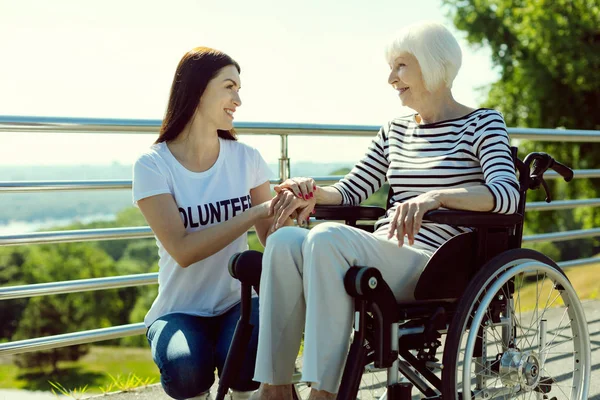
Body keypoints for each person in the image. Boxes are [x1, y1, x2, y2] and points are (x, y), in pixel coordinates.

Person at [250, 21, 521, 400]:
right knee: (283, 241)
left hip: (436, 263)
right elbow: (350, 189)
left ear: (432, 64)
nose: (391, 78)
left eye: (400, 66)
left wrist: (436, 197)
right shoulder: (394, 130)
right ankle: (275, 388)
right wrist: (309, 192)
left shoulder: (482, 123)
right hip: (384, 250)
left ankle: (325, 392)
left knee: (326, 237)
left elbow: (506, 195)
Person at [132, 47, 276, 400]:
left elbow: (273, 240)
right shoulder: (153, 165)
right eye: (229, 87)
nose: (238, 99)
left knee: (246, 359)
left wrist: (290, 209)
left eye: (239, 89)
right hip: (179, 310)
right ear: (198, 89)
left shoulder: (247, 159)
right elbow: (182, 250)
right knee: (184, 366)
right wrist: (256, 212)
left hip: (238, 302)